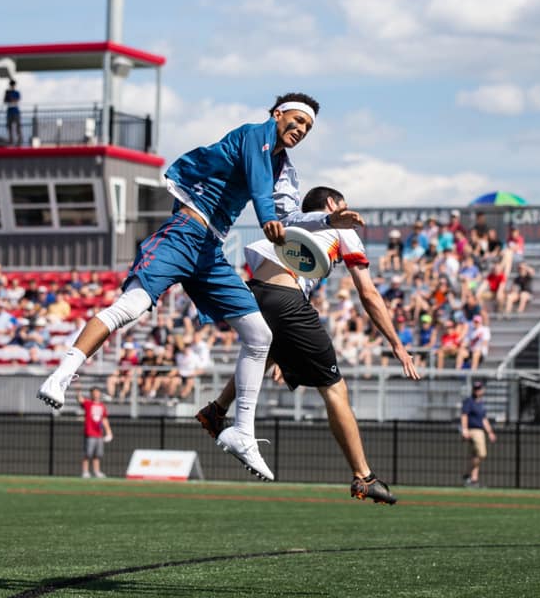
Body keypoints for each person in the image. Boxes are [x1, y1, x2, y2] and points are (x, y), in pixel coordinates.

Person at [38, 93, 352, 482]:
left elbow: (287, 216)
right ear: (277, 114)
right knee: (130, 306)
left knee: (260, 334)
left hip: (210, 249)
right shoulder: (254, 135)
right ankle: (63, 373)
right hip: (183, 233)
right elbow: (260, 193)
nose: (302, 129)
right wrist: (267, 219)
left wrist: (327, 222)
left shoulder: (282, 168)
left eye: (308, 127)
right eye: (298, 120)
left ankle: (242, 432)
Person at [195, 186, 420, 503]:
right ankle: (364, 477)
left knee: (263, 350)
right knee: (335, 389)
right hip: (285, 300)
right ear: (332, 205)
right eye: (344, 206)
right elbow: (368, 293)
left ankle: (216, 410)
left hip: (255, 291)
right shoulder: (340, 226)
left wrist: (283, 355)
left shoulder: (292, 222)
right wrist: (397, 344)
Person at [461, 381, 496, 487]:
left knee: (475, 456)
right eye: (476, 389)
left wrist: (490, 432)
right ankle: (468, 473)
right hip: (473, 431)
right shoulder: (469, 401)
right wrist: (464, 429)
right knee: (482, 454)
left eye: (479, 389)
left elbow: (484, 419)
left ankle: (473, 480)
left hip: (480, 431)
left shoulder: (481, 403)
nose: (477, 391)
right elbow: (464, 415)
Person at [77, 386, 112, 478]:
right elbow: (80, 400)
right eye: (94, 393)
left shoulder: (102, 406)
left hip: (99, 434)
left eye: (97, 392)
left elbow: (104, 419)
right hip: (90, 433)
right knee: (87, 453)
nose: (96, 394)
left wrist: (108, 431)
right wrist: (78, 391)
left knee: (98, 454)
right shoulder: (88, 403)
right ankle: (85, 471)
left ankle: (97, 471)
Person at [4, 79, 22, 145]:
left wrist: (11, 98)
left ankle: (19, 140)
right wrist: (7, 95)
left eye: (13, 85)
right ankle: (10, 140)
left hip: (16, 112)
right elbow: (5, 100)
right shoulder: (7, 92)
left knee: (18, 126)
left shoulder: (17, 92)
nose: (12, 86)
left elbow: (17, 100)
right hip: (9, 112)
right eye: (11, 85)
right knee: (9, 127)